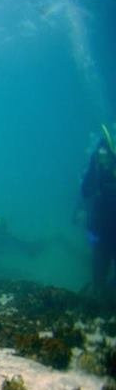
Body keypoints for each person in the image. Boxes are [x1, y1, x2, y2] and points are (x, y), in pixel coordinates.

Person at [79, 124, 116, 294]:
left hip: (100, 225)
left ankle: (101, 297)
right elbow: (86, 190)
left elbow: (86, 190)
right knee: (100, 278)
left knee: (99, 278)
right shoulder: (100, 154)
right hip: (101, 226)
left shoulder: (100, 151)